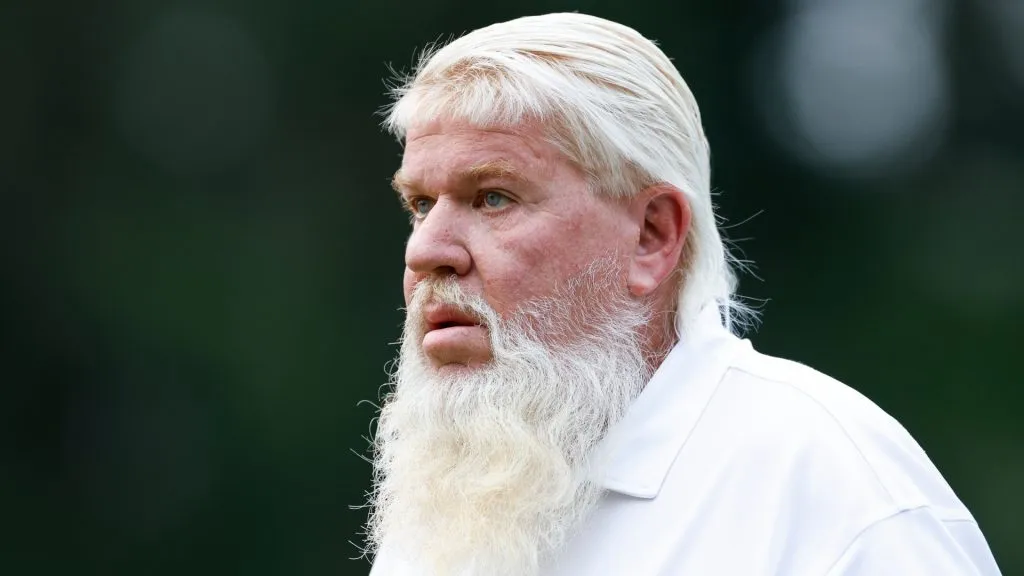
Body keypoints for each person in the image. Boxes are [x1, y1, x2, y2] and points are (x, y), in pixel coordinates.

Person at [362, 12, 1002, 576]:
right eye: (420, 204)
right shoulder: (447, 508)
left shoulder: (828, 484)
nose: (426, 251)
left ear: (652, 236)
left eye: (493, 197)